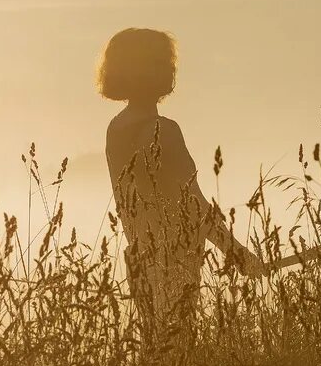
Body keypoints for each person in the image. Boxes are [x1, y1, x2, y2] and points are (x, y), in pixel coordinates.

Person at [97, 28, 263, 331]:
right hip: (174, 261)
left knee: (155, 353)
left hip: (138, 257)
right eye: (163, 63)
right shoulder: (164, 130)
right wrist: (238, 255)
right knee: (178, 354)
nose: (171, 69)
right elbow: (197, 206)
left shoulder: (116, 128)